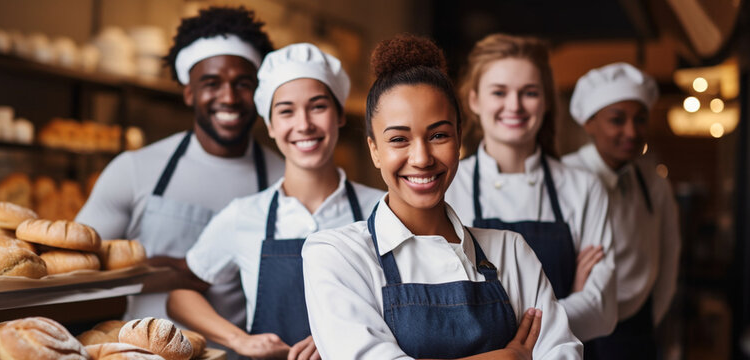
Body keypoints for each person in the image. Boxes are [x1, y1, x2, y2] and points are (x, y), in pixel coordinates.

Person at [302, 34, 581, 359]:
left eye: (438, 135)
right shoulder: (338, 255)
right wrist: (505, 357)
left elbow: (563, 353)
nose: (421, 158)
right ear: (374, 150)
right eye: (399, 139)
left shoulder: (511, 252)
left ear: (459, 138)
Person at [167, 43, 384, 359]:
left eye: (318, 106)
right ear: (269, 125)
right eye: (285, 111)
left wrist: (341, 333)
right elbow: (180, 295)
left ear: (339, 115)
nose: (303, 124)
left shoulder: (383, 211)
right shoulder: (243, 216)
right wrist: (239, 340)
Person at [76, 7, 285, 325]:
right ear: (189, 92)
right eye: (212, 83)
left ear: (258, 93)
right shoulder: (134, 170)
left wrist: (175, 267)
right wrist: (175, 272)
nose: (228, 97)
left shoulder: (284, 179)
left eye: (243, 84)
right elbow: (78, 269)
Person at [444, 33, 616, 342]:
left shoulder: (584, 188)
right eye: (499, 92)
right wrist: (566, 305)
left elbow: (601, 312)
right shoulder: (448, 186)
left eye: (530, 93)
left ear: (546, 101)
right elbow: (444, 307)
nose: (515, 105)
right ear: (474, 100)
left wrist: (495, 325)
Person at [563, 62, 681, 359]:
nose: (631, 131)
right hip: (573, 324)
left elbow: (669, 254)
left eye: (640, 120)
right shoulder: (565, 177)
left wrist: (650, 314)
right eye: (617, 120)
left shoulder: (652, 182)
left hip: (636, 328)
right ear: (589, 122)